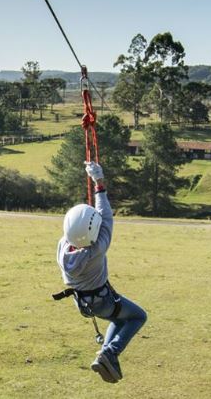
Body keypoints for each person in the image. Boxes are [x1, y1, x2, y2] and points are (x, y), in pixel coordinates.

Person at [55, 161, 147, 383]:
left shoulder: (62, 247)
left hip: (83, 303)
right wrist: (99, 182)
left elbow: (87, 226)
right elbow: (105, 216)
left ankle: (105, 355)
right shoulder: (96, 249)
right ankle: (111, 351)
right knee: (138, 316)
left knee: (118, 319)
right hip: (102, 300)